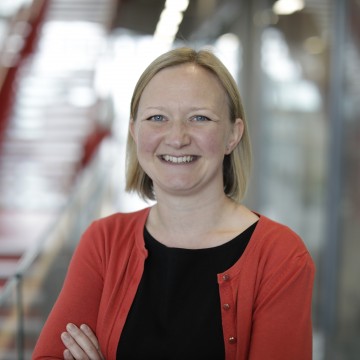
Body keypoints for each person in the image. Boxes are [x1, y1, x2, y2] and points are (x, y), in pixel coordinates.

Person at [32, 47, 315, 360]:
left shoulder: (281, 257)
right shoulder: (104, 242)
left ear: (232, 135)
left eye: (199, 118)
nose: (177, 138)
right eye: (157, 118)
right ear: (134, 131)